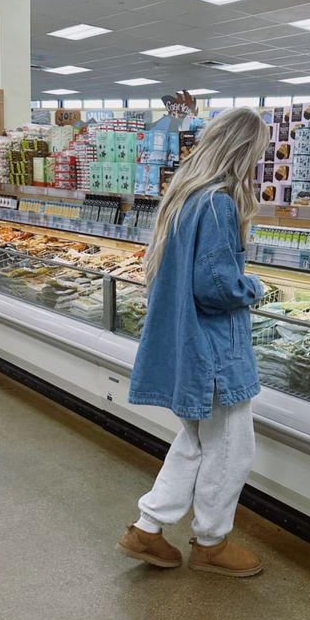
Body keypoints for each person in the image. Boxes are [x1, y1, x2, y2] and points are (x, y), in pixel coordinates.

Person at [117, 108, 270, 577]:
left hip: (183, 346)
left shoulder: (184, 196)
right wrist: (256, 286)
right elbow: (217, 286)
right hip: (214, 353)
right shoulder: (219, 203)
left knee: (195, 442)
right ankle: (211, 542)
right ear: (245, 151)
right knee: (231, 449)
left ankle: (147, 528)